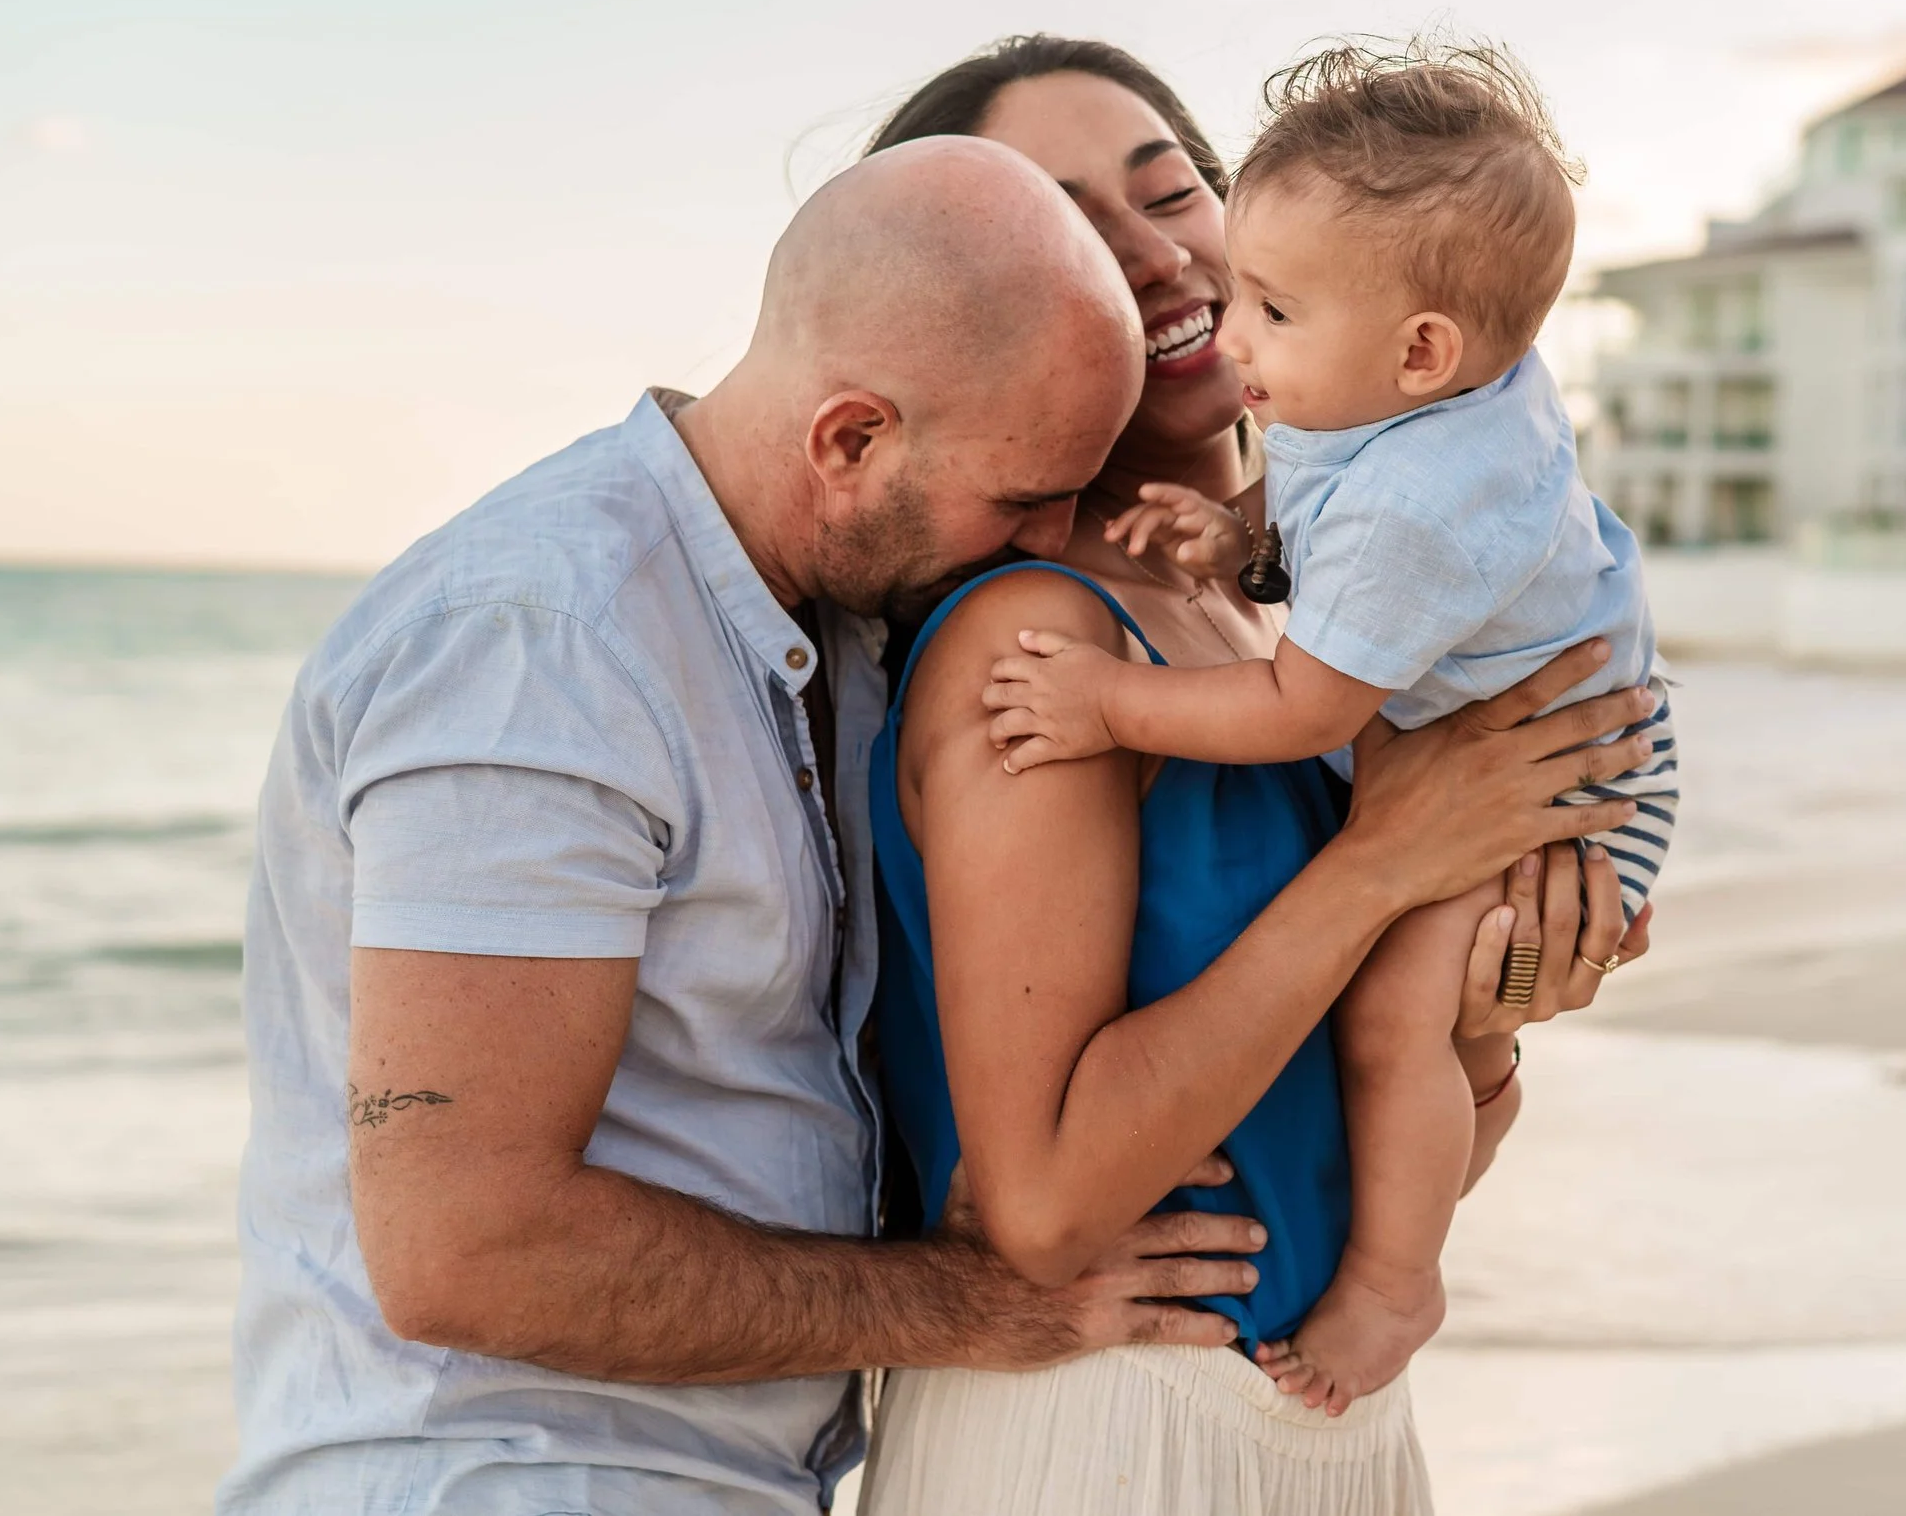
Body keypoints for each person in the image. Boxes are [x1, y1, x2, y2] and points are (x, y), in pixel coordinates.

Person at [217, 137, 1283, 1516]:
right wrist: (968, 1301)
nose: (1047, 540)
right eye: (1022, 497)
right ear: (851, 438)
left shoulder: (824, 624)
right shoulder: (538, 646)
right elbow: (470, 1249)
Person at [852, 36, 1655, 1516]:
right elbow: (1045, 1211)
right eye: (1069, 227)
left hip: (1323, 1421)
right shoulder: (1043, 641)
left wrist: (1494, 1005)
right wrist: (1383, 865)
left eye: (1173, 195)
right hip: (1108, 1435)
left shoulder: (1280, 629)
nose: (1158, 257)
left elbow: (1387, 1156)